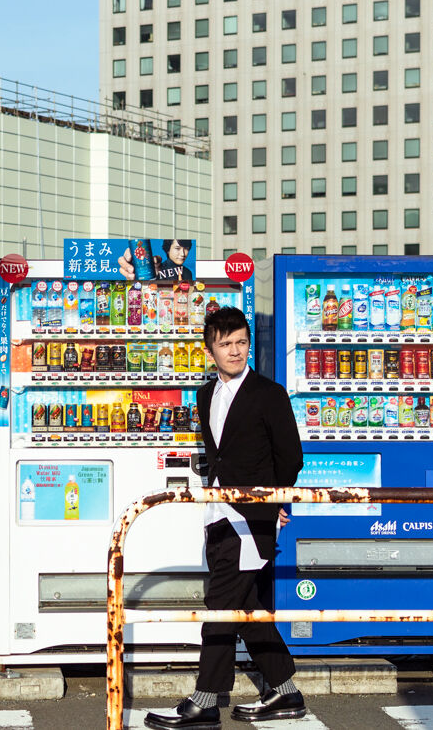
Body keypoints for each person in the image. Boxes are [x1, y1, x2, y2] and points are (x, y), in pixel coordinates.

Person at [144, 306, 305, 730]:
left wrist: (273, 506)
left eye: (241, 343)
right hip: (217, 511)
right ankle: (286, 692)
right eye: (226, 344)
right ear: (210, 350)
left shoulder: (269, 393)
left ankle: (205, 701)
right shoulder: (204, 394)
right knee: (244, 607)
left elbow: (291, 457)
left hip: (250, 518)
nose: (235, 351)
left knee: (220, 605)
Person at [117, 239, 193, 281]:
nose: (183, 254)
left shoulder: (188, 272)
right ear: (168, 249)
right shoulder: (158, 270)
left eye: (186, 249)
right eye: (177, 248)